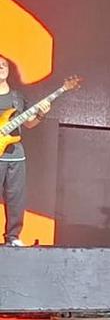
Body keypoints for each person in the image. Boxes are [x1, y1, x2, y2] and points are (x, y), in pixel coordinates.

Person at [0, 55, 50, 247]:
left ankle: (13, 237)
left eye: (4, 64)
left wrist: (41, 115)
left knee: (16, 198)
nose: (1, 67)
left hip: (15, 154)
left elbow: (29, 123)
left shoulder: (17, 97)